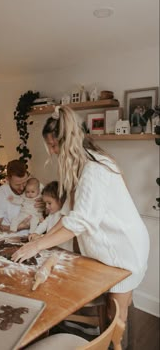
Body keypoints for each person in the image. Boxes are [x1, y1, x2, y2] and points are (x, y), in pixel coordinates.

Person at [12, 105, 150, 324]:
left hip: (123, 251)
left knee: (117, 315)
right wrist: (43, 238)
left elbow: (80, 221)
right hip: (112, 250)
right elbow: (68, 214)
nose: (53, 151)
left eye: (54, 145)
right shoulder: (82, 167)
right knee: (112, 311)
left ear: (68, 141)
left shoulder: (95, 170)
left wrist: (38, 246)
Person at [0, 159, 43, 232]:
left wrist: (45, 207)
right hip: (9, 236)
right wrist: (21, 227)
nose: (22, 187)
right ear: (7, 179)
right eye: (17, 184)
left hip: (36, 235)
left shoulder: (37, 187)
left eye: (24, 182)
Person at [29, 180, 73, 252]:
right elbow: (44, 224)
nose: (46, 206)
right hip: (51, 247)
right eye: (45, 203)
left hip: (63, 249)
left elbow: (59, 233)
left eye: (49, 203)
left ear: (60, 200)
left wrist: (42, 237)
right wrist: (36, 232)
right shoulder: (52, 214)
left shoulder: (65, 215)